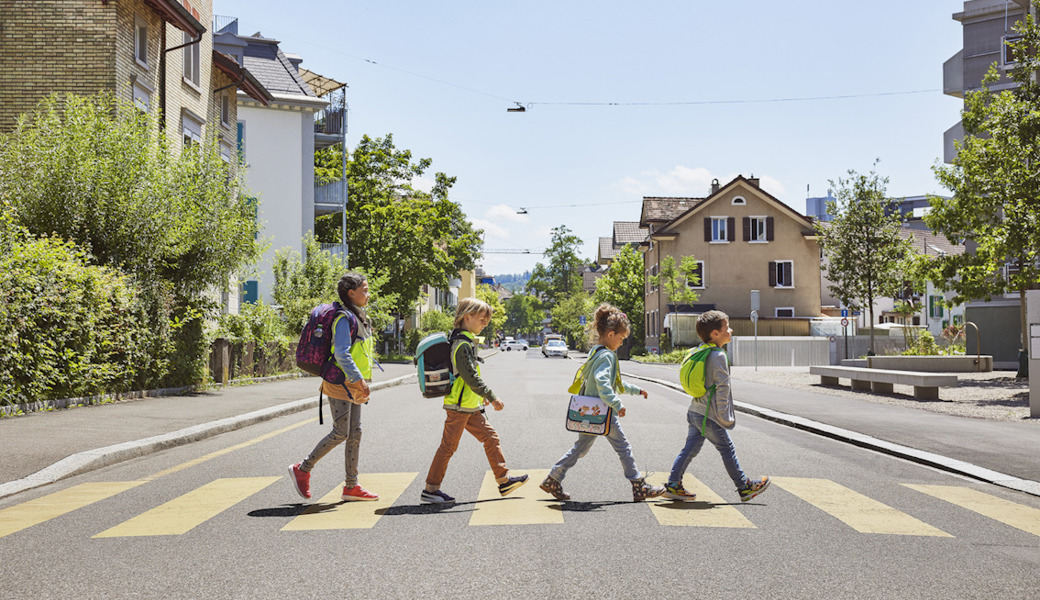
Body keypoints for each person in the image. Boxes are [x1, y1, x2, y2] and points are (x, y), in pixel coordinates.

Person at [540, 304, 665, 502]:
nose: (622, 343)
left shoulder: (596, 351)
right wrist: (617, 404)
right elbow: (603, 383)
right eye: (621, 338)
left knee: (580, 449)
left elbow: (616, 383)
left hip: (589, 412)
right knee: (623, 448)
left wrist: (636, 390)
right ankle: (639, 486)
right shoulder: (607, 355)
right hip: (602, 412)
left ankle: (553, 478)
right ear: (611, 333)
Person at [420, 297, 528, 504]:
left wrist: (480, 398)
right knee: (448, 447)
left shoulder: (466, 341)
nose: (485, 323)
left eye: (486, 320)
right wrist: (491, 397)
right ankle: (431, 489)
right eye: (482, 319)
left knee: (490, 437)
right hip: (459, 407)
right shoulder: (462, 345)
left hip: (469, 406)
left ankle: (503, 480)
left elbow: (468, 377)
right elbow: (470, 376)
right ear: (466, 317)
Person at [288, 272, 379, 502]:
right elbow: (341, 353)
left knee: (355, 432)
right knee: (341, 432)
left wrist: (360, 380)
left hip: (353, 382)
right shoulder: (344, 318)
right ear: (351, 293)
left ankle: (351, 486)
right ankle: (303, 468)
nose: (368, 294)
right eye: (364, 290)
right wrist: (358, 379)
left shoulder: (358, 315)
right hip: (340, 380)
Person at [662, 310, 770, 503]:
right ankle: (744, 487)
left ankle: (673, 484)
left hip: (695, 410)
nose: (731, 330)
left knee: (690, 450)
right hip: (709, 416)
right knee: (726, 448)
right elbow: (722, 388)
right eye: (726, 327)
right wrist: (723, 416)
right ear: (715, 334)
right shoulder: (718, 355)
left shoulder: (701, 351)